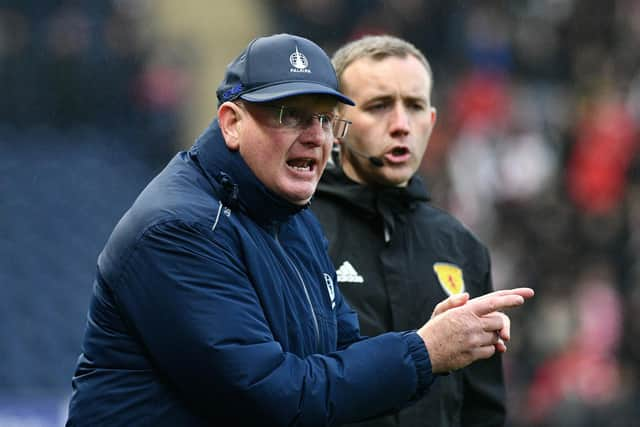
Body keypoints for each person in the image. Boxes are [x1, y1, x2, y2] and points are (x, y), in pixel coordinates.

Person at [66, 33, 533, 426]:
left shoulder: (289, 217)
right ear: (231, 123)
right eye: (290, 114)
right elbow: (270, 397)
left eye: (325, 119)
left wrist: (435, 339)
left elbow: (341, 350)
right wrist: (422, 351)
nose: (315, 135)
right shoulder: (181, 229)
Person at [311, 35, 508, 426]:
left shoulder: (461, 246)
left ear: (431, 121)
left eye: (415, 106)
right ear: (336, 124)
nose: (401, 125)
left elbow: (483, 409)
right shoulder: (296, 231)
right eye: (379, 106)